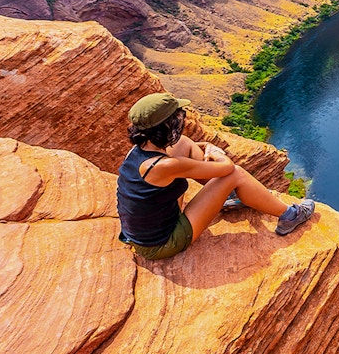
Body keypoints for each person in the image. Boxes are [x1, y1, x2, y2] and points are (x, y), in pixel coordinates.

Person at [116, 92, 314, 260]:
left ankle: (225, 197)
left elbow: (183, 151)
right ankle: (291, 216)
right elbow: (227, 168)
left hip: (141, 232)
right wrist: (216, 151)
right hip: (162, 244)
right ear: (166, 126)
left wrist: (203, 146)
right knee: (235, 174)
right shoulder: (166, 166)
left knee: (183, 144)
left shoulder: (137, 152)